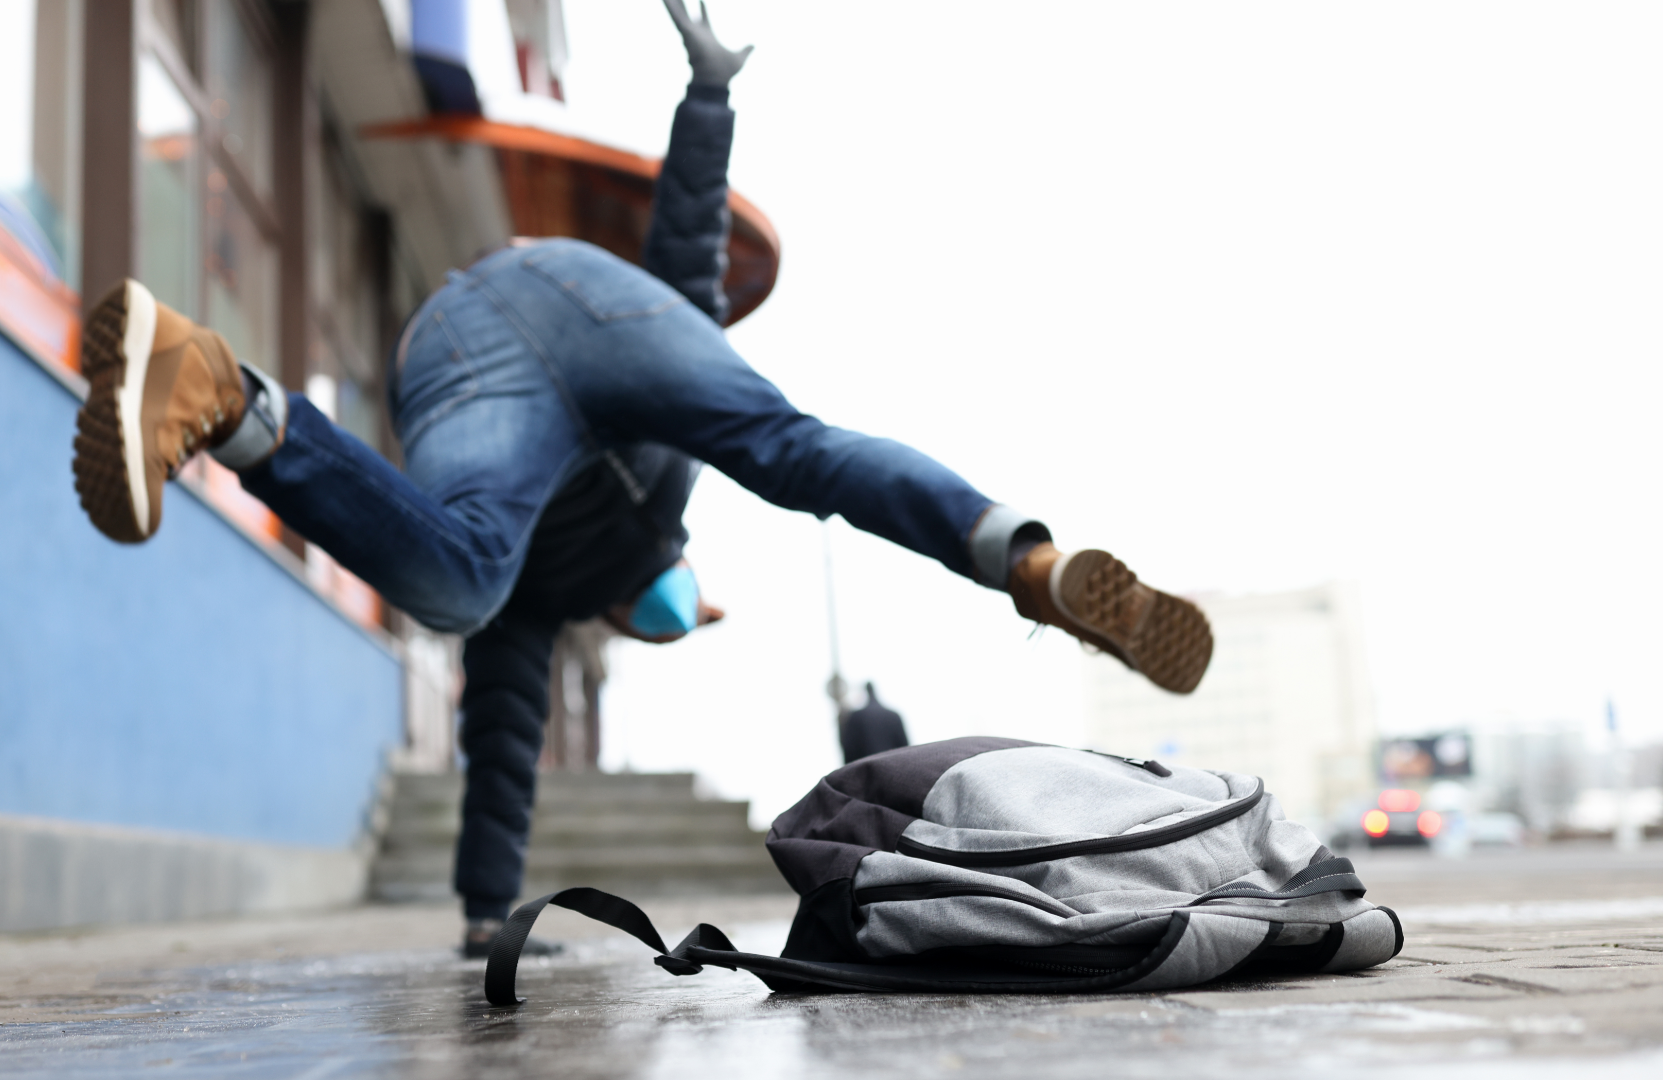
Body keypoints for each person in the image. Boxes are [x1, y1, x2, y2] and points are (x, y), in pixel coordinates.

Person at [68, 0, 1214, 956]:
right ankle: (1025, 562)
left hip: (465, 337)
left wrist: (484, 918)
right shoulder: (646, 519)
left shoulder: (526, 589)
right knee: (784, 448)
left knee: (477, 578)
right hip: (567, 315)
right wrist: (706, 106)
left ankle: (223, 392)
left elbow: (500, 744)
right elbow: (683, 268)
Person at [839, 683, 911, 764]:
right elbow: (905, 748)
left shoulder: (855, 717)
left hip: (866, 771)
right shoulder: (894, 716)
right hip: (892, 768)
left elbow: (849, 749)